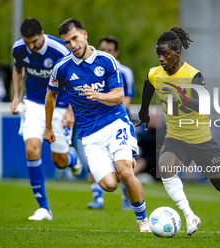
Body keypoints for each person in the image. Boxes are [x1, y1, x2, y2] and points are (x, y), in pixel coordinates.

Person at [136, 27, 220, 238]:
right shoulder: (155, 73)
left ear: (177, 53)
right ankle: (189, 215)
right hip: (176, 138)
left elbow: (204, 104)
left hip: (201, 140)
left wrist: (181, 97)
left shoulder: (193, 75)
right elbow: (149, 84)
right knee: (165, 167)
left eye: (165, 54)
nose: (161, 58)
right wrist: (144, 112)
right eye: (159, 54)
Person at [43, 18, 150, 232]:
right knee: (110, 184)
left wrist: (98, 95)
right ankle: (120, 167)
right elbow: (50, 94)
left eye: (75, 38)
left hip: (115, 123)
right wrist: (48, 126)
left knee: (125, 172)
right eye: (67, 42)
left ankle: (143, 221)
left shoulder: (107, 61)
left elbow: (119, 96)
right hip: (90, 135)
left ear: (84, 35)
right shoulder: (62, 68)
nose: (73, 45)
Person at [10, 18, 82, 221]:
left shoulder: (59, 49)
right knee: (32, 149)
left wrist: (71, 110)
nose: (30, 46)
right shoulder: (19, 48)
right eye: (26, 42)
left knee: (59, 162)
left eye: (33, 41)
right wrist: (16, 96)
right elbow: (17, 70)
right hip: (33, 102)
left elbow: (76, 79)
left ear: (42, 34)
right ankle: (44, 208)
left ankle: (72, 158)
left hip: (60, 105)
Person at [87, 36, 136, 210]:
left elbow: (126, 98)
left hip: (117, 122)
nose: (104, 53)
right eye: (102, 50)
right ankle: (97, 199)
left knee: (121, 163)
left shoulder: (124, 71)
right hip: (95, 122)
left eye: (109, 51)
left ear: (115, 53)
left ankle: (126, 198)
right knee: (97, 159)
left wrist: (110, 113)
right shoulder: (89, 68)